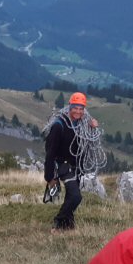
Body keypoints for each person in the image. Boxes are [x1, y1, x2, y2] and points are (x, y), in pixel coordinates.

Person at [43, 91, 101, 231]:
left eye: (81, 109)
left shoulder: (81, 125)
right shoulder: (59, 125)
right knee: (76, 197)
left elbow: (84, 143)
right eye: (75, 108)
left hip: (75, 166)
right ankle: (58, 223)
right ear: (70, 107)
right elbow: (50, 153)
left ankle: (67, 224)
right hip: (62, 166)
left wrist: (92, 128)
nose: (78, 111)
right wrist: (49, 177)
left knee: (71, 196)